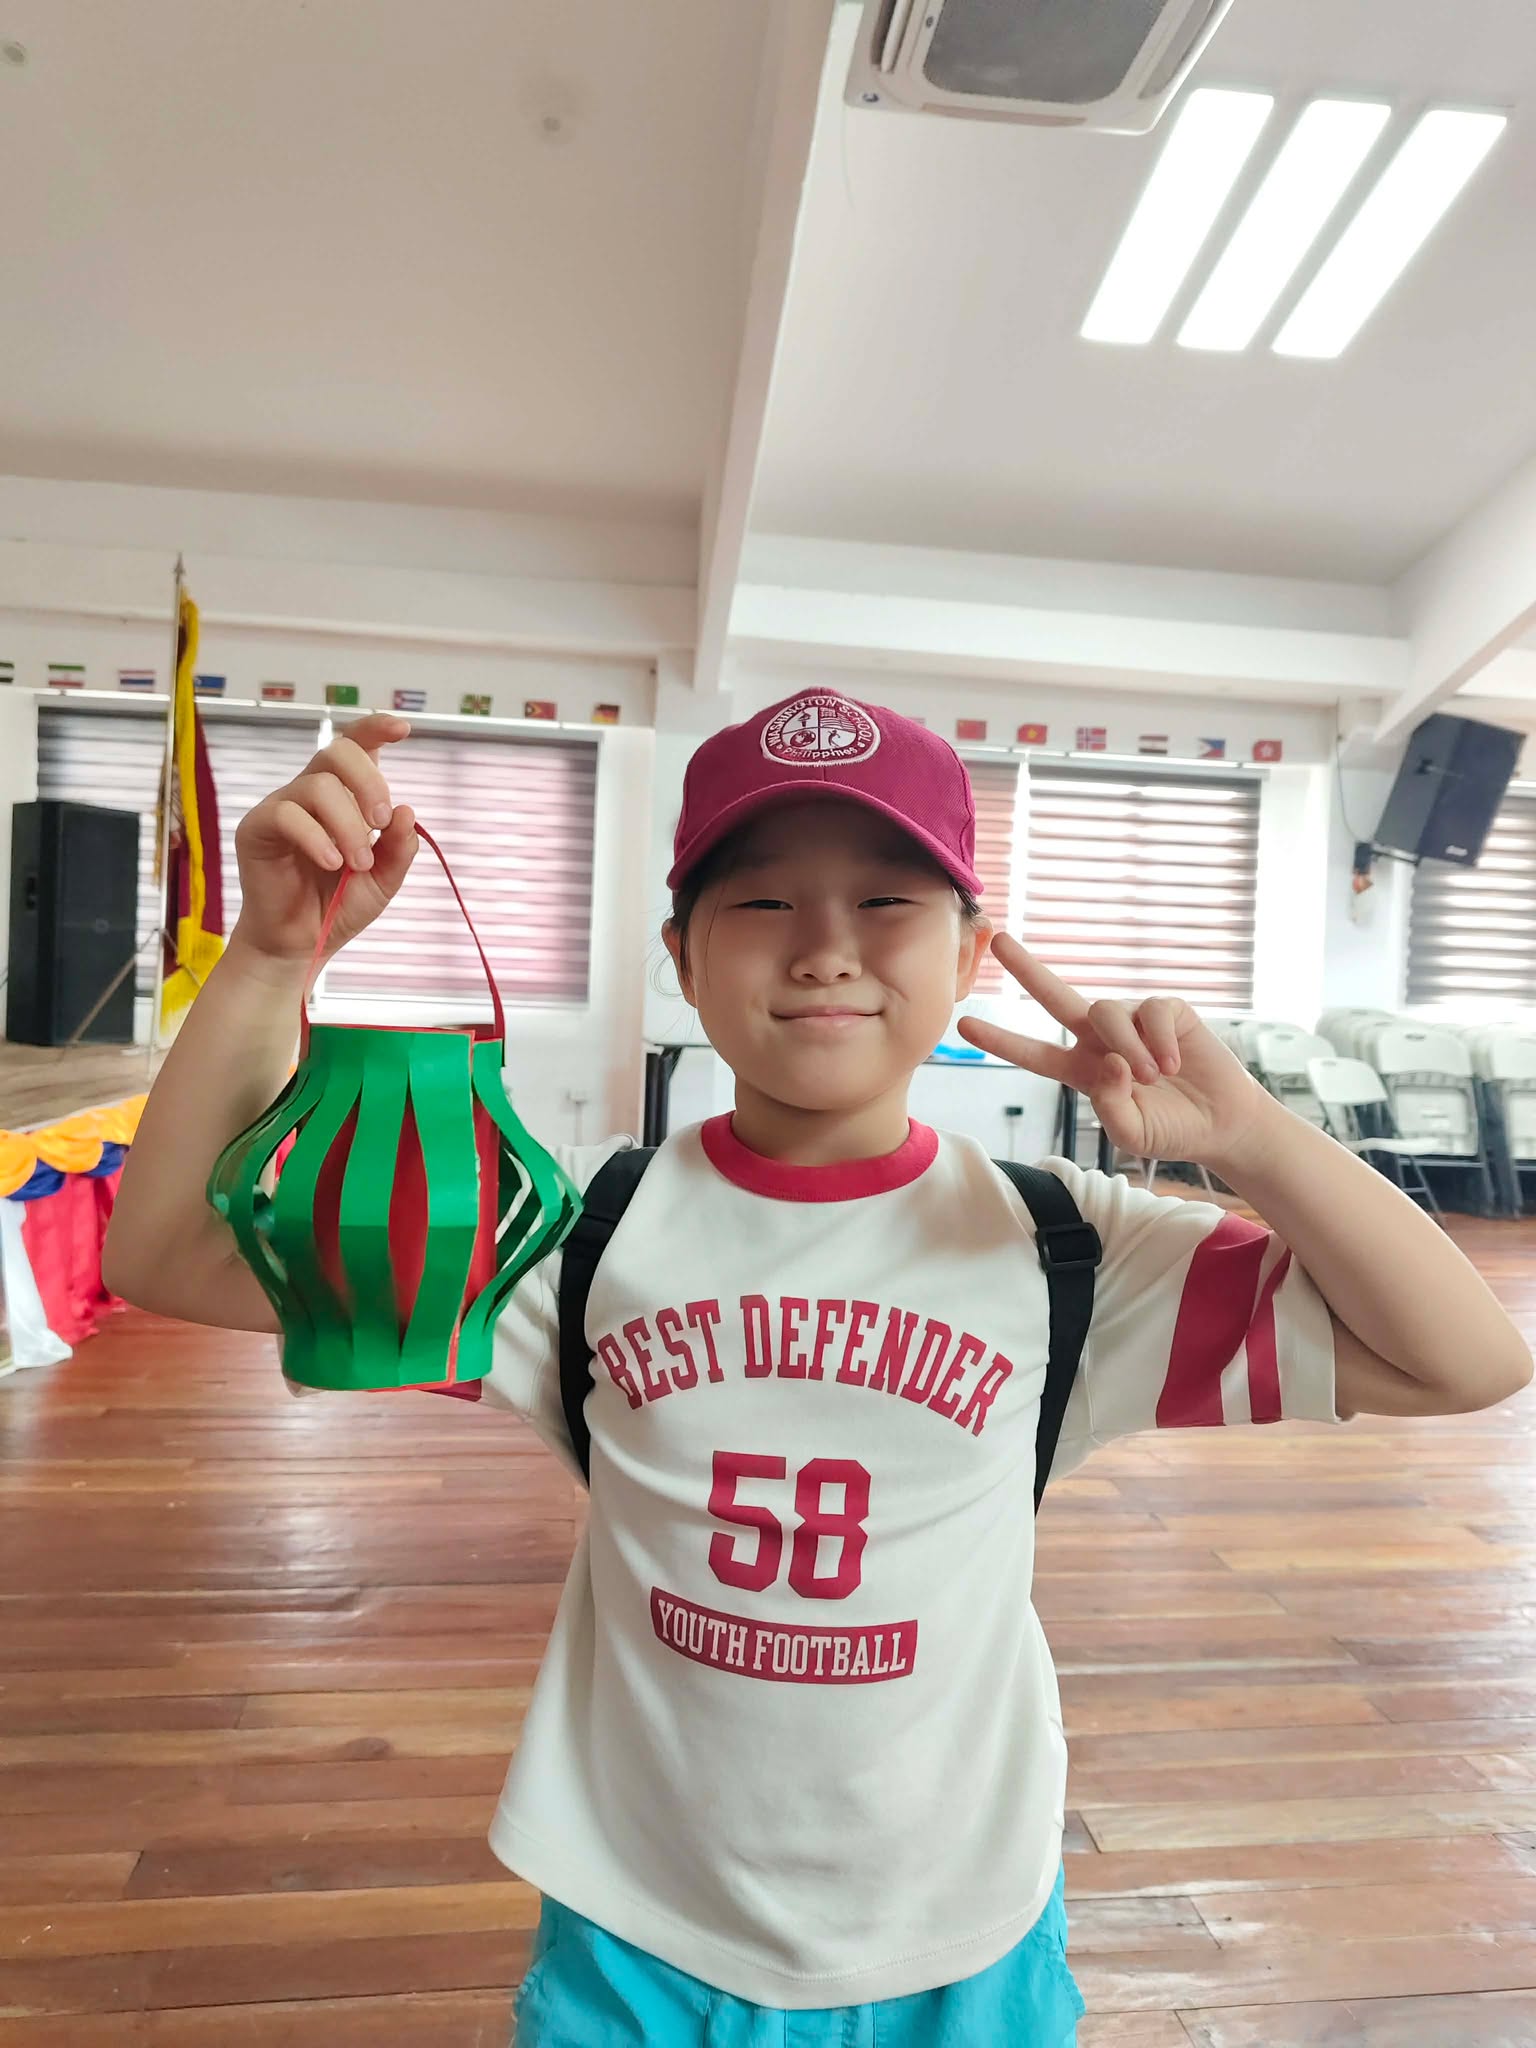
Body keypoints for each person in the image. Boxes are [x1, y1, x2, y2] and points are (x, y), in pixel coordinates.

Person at [105, 690, 1533, 2047]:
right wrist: (274, 959)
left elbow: (1466, 1361)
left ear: (970, 956)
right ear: (681, 958)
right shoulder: (563, 1224)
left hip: (961, 1931)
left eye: (888, 901)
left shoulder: (1069, 1248)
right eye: (764, 902)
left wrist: (1255, 1138)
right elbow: (164, 1252)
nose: (825, 949)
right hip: (638, 1919)